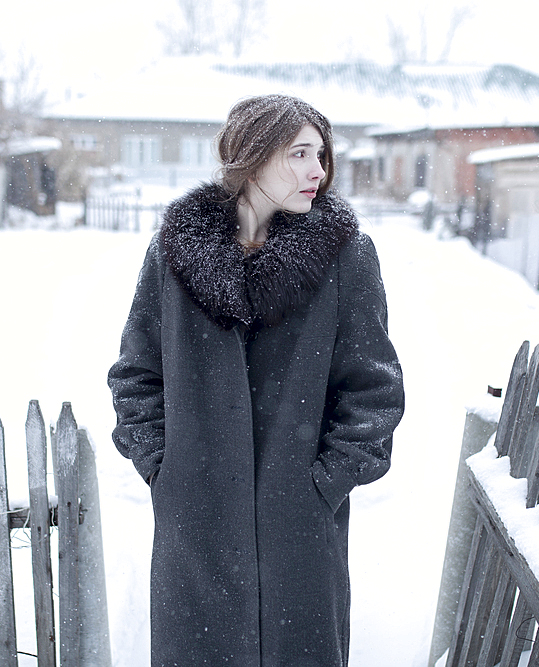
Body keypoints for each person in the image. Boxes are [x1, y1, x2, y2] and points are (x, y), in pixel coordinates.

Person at [108, 94, 405, 667]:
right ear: (251, 157)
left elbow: (374, 388)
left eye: (321, 154)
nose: (317, 170)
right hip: (194, 530)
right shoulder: (176, 255)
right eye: (298, 153)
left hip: (300, 534)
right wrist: (166, 470)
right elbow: (136, 374)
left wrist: (320, 485)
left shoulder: (346, 257)